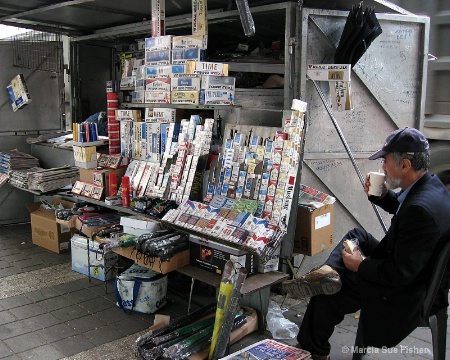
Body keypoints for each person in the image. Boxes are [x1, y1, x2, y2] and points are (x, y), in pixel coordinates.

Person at [282, 127, 450, 360]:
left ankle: (315, 349)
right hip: (408, 266)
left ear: (405, 166)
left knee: (326, 297)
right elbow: (405, 214)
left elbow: (398, 273)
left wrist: (360, 266)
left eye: (386, 160)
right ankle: (330, 273)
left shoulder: (420, 211)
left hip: (402, 292)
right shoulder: (430, 187)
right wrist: (381, 197)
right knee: (356, 235)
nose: (383, 167)